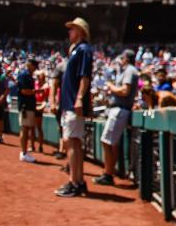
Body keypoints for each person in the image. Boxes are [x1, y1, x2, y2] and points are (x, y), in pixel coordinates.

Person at [56, 18, 93, 198]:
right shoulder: (78, 50)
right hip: (70, 104)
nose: (69, 32)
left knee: (72, 142)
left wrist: (79, 99)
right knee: (75, 142)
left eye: (72, 29)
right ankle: (78, 182)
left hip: (73, 104)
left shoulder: (83, 49)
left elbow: (85, 77)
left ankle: (74, 182)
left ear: (79, 31)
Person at [95, 49, 139, 187]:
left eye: (122, 58)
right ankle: (110, 172)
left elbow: (125, 91)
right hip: (118, 109)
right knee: (111, 143)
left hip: (120, 110)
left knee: (106, 141)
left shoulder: (130, 70)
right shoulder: (125, 71)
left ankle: (108, 174)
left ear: (126, 58)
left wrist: (111, 86)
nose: (120, 60)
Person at [16, 59, 38, 163]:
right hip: (25, 105)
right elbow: (24, 91)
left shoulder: (27, 75)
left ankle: (24, 152)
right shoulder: (24, 75)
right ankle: (24, 153)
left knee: (26, 129)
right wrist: (38, 90)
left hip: (28, 105)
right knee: (25, 129)